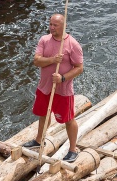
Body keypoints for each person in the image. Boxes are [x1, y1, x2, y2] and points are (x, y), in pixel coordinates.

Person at [23, 13, 84, 162]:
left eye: (55, 25)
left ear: (63, 26)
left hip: (63, 91)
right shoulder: (44, 40)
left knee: (68, 119)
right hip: (45, 87)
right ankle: (39, 140)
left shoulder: (72, 44)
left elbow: (79, 68)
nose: (51, 28)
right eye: (50, 24)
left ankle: (72, 149)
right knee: (43, 114)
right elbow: (37, 61)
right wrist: (52, 60)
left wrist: (63, 78)